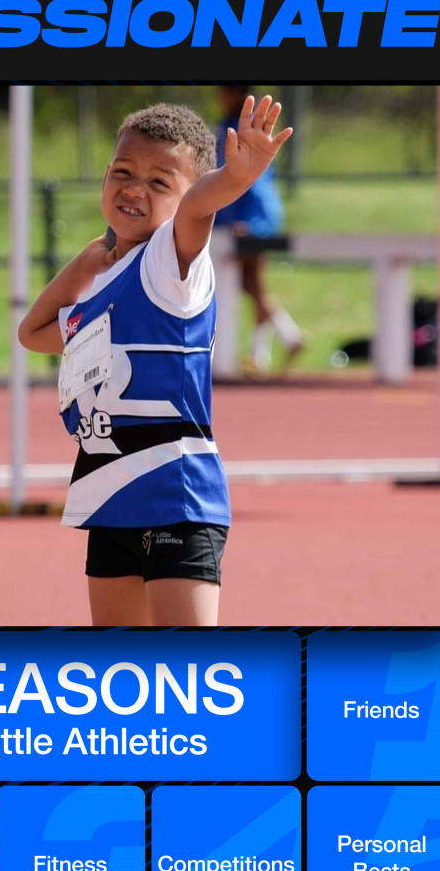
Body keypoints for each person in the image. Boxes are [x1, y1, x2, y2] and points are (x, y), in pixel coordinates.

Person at [19, 96, 293, 628]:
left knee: (186, 680)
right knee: (126, 685)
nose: (134, 188)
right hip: (110, 497)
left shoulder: (172, 263)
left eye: (160, 182)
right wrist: (88, 260)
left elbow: (197, 209)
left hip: (177, 499)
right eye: (122, 172)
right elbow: (34, 334)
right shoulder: (103, 288)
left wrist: (236, 178)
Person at [214, 85, 303, 372]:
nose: (219, 96)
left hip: (251, 216)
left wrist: (243, 219)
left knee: (251, 283)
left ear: (237, 93)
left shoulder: (241, 126)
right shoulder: (233, 123)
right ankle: (268, 348)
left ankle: (278, 342)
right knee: (250, 283)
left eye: (224, 90)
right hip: (249, 214)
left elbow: (246, 178)